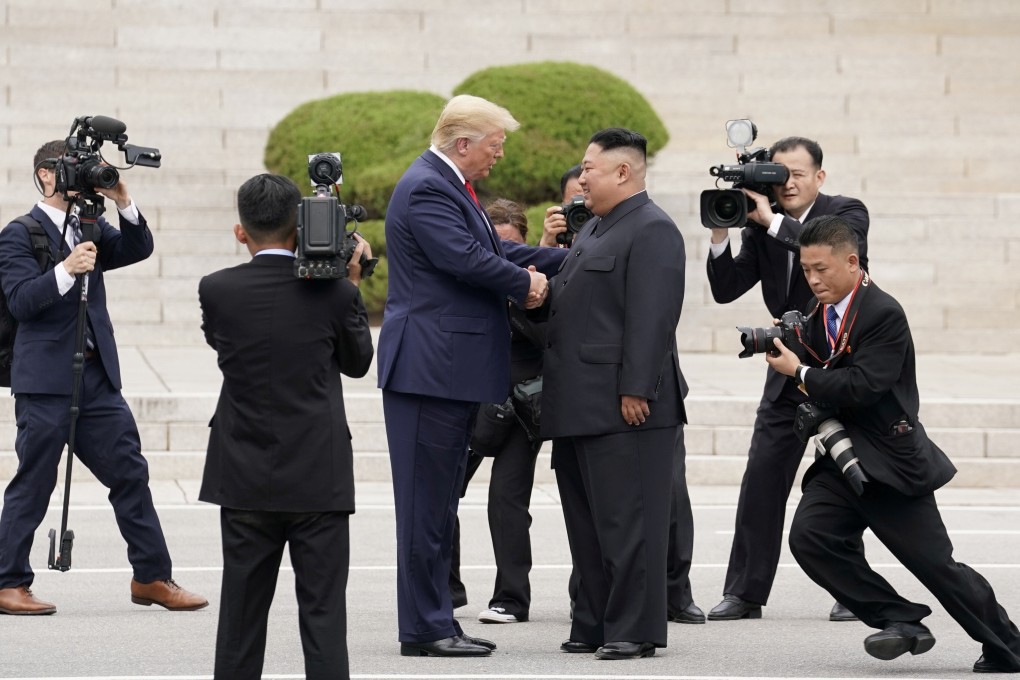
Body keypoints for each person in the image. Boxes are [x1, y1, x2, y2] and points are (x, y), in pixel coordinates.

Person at [766, 214, 1020, 675]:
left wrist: (798, 372)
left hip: (890, 462)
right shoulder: (818, 310)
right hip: (840, 458)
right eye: (806, 269)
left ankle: (1009, 645)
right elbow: (823, 364)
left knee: (937, 567)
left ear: (852, 261)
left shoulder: (883, 312)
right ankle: (900, 619)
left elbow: (864, 386)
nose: (814, 278)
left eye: (822, 269)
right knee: (811, 539)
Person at [377, 94, 567, 657]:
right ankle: (426, 628)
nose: (499, 156)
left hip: (445, 370)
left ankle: (438, 621)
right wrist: (528, 285)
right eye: (494, 144)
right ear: (463, 143)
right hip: (427, 370)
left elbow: (496, 250)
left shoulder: (448, 184)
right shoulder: (428, 186)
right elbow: (465, 259)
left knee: (436, 508)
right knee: (424, 507)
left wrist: (571, 259)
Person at [0, 140, 207, 615]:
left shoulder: (88, 227)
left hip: (95, 377)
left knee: (130, 472)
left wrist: (123, 199)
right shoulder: (19, 233)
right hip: (44, 380)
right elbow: (20, 302)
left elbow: (138, 247)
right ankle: (9, 581)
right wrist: (66, 270)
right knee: (34, 481)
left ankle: (152, 577)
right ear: (46, 176)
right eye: (68, 171)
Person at [197, 173, 374, 679]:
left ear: (240, 232)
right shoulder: (336, 293)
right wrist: (350, 281)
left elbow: (223, 345)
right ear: (300, 228)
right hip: (319, 476)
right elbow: (358, 361)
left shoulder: (217, 289)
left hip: (244, 471)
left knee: (240, 616)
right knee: (322, 615)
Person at [706, 136, 869, 623]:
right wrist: (722, 227)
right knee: (762, 474)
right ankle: (745, 592)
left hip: (842, 358)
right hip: (786, 359)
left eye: (797, 174)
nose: (788, 183)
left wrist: (771, 220)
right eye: (780, 174)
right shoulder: (761, 224)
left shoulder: (846, 212)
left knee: (848, 476)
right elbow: (726, 289)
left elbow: (823, 244)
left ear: (819, 176)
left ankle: (852, 591)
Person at [542, 128, 688, 660]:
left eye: (589, 169)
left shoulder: (652, 228)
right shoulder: (595, 229)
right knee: (588, 524)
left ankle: (634, 629)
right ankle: (595, 621)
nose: (581, 178)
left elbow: (653, 318)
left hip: (625, 405)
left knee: (630, 523)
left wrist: (636, 388)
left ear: (622, 172)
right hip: (578, 402)